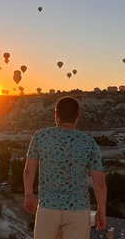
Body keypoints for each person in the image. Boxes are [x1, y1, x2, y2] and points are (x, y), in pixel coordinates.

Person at [23, 96, 107, 239]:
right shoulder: (89, 143)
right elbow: (99, 183)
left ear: (56, 114)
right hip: (78, 211)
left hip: (48, 209)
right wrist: (101, 210)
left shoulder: (41, 136)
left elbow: (29, 170)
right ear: (78, 115)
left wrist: (28, 194)